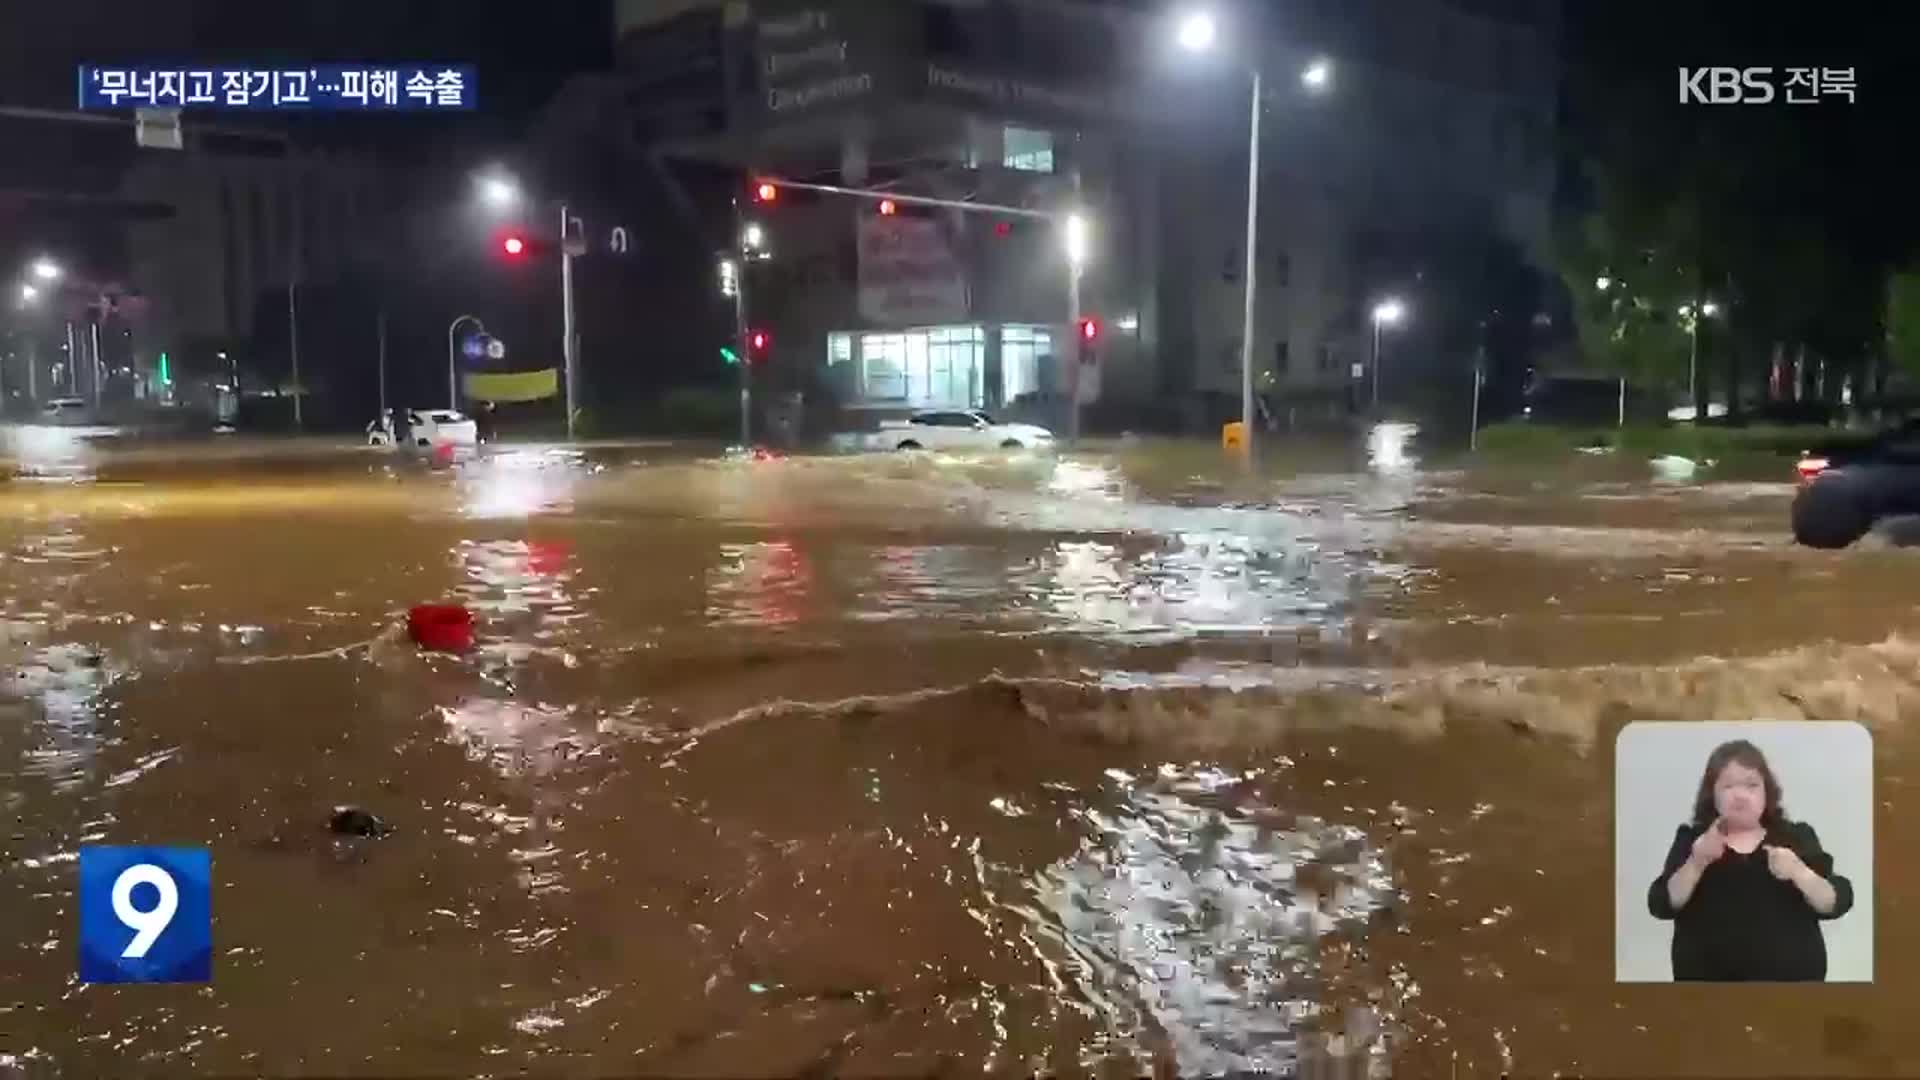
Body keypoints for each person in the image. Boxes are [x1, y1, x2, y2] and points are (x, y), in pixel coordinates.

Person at [1647, 738, 1854, 981]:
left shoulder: (1795, 836)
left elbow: (1835, 902)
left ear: (1767, 793)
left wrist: (1799, 872)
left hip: (1794, 995)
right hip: (1707, 997)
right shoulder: (1693, 840)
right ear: (1711, 794)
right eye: (1728, 786)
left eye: (1752, 785)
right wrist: (1697, 861)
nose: (1741, 796)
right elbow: (1661, 904)